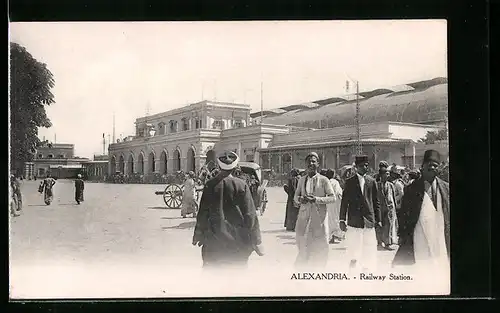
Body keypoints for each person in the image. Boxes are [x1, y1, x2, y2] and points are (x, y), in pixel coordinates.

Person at [192, 151, 264, 269]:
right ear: (235, 167)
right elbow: (250, 215)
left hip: (213, 243)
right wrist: (257, 240)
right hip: (237, 243)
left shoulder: (210, 185)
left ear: (219, 166)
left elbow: (202, 214)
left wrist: (198, 235)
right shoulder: (241, 185)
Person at [393, 150, 450, 282]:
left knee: (440, 266)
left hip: (440, 234)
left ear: (439, 168)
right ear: (422, 167)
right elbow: (403, 214)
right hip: (420, 234)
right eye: (429, 164)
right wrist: (402, 235)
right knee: (422, 267)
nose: (432, 167)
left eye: (435, 165)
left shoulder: (445, 188)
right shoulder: (411, 189)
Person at [293, 152, 335, 269]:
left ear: (318, 164)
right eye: (308, 162)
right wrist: (300, 199)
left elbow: (332, 198)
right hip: (303, 217)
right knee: (302, 242)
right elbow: (295, 196)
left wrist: (316, 199)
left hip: (319, 218)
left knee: (320, 245)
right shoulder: (302, 180)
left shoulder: (324, 180)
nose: (311, 164)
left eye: (313, 161)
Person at [339, 155, 381, 271]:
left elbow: (376, 202)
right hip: (354, 220)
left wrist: (379, 219)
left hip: (368, 220)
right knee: (354, 245)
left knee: (369, 246)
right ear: (356, 167)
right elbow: (344, 202)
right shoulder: (350, 182)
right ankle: (352, 266)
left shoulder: (372, 182)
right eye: (362, 166)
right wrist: (342, 219)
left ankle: (366, 268)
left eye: (366, 165)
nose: (365, 168)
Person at [376, 161, 398, 250]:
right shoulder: (377, 185)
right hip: (380, 208)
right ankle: (379, 242)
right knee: (379, 225)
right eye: (386, 174)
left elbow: (393, 197)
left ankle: (388, 242)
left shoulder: (391, 185)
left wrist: (395, 207)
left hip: (390, 208)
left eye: (388, 174)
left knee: (389, 225)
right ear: (381, 175)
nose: (387, 176)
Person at [325, 169, 344, 244]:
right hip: (335, 203)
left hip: (328, 202)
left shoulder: (326, 181)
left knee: (329, 219)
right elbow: (338, 192)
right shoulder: (335, 182)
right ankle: (334, 236)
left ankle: (330, 237)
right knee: (335, 218)